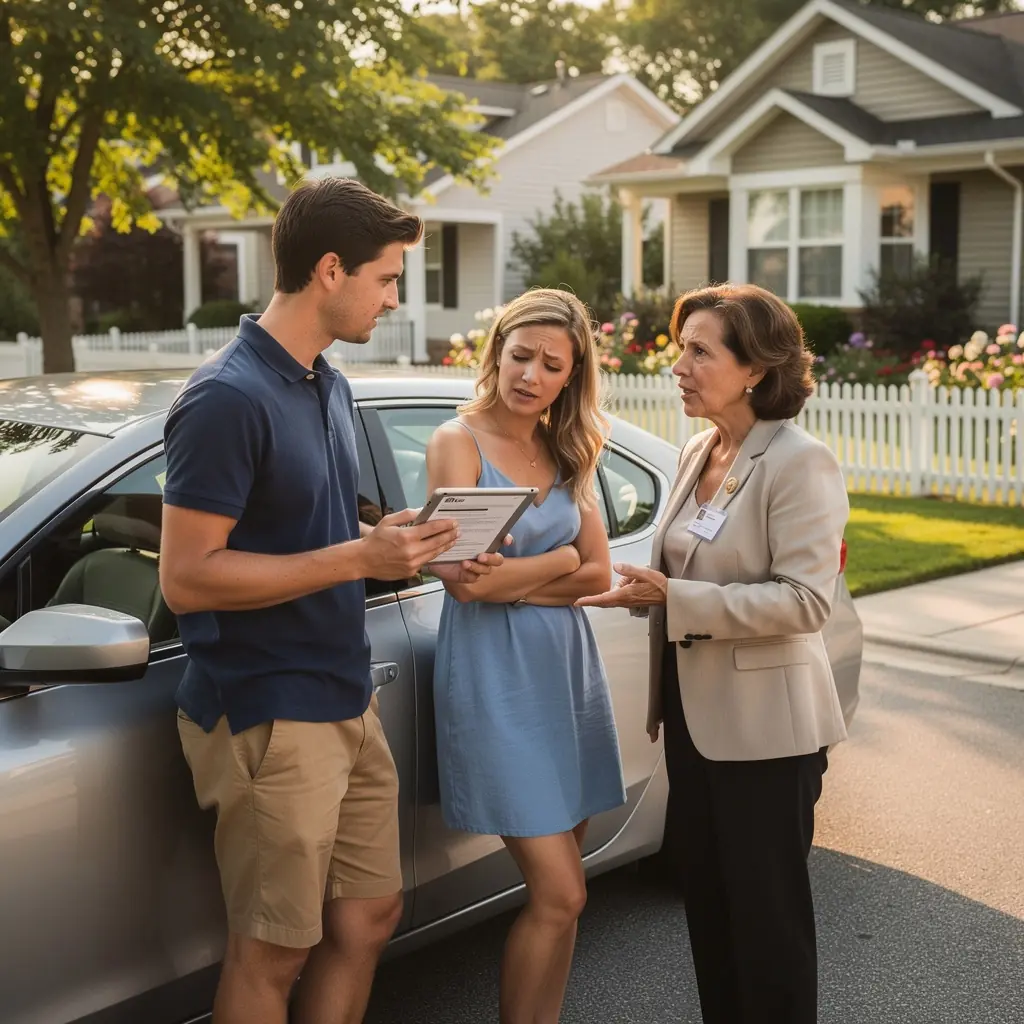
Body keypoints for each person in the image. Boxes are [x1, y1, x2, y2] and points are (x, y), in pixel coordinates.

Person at [159, 177, 503, 1024]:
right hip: (268, 709)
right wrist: (358, 553)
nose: (394, 297)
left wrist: (398, 538)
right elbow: (188, 575)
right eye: (386, 278)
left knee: (369, 915)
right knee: (274, 949)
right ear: (328, 270)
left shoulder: (327, 382)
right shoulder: (225, 397)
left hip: (347, 690)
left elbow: (308, 523)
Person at [578, 283, 850, 1024]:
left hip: (767, 735)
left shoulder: (800, 461)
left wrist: (676, 599)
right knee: (710, 911)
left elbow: (805, 601)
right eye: (681, 348)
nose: (680, 365)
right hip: (693, 727)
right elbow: (681, 566)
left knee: (768, 927)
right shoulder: (703, 448)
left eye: (700, 351)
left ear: (756, 367)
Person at [425, 289, 626, 1024]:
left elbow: (599, 575)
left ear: (570, 376)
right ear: (497, 353)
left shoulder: (572, 449)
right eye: (520, 357)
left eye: (551, 364)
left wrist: (525, 574)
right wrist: (561, 558)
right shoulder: (457, 442)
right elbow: (464, 585)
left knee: (565, 895)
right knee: (561, 891)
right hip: (496, 680)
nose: (530, 376)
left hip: (566, 680)